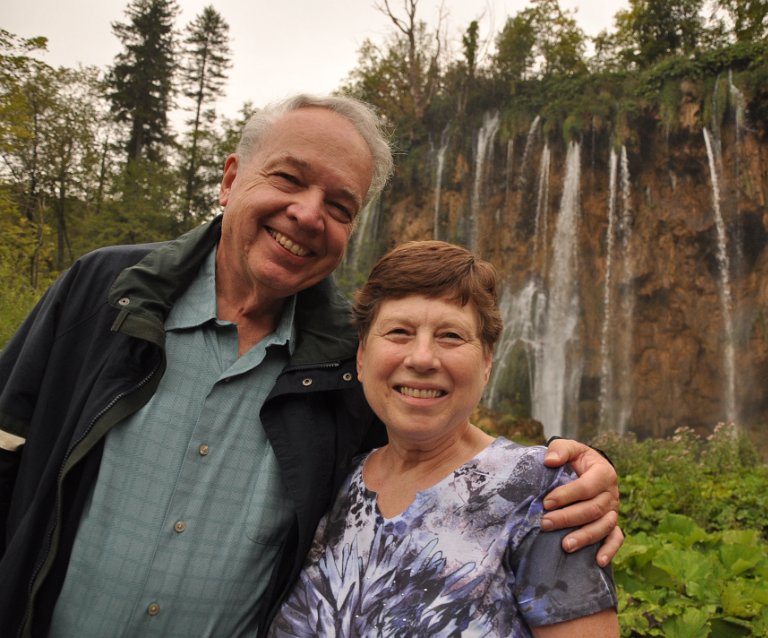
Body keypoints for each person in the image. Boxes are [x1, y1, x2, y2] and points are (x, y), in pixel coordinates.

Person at [0, 94, 622, 638]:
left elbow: (435, 448)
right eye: (289, 178)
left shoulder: (344, 371)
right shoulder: (103, 292)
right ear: (231, 179)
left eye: (340, 206)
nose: (307, 213)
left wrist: (576, 473)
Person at [269, 240, 619, 637]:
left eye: (450, 335)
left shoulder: (545, 495)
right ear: (362, 358)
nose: (422, 358)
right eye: (399, 332)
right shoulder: (332, 481)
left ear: (487, 363)